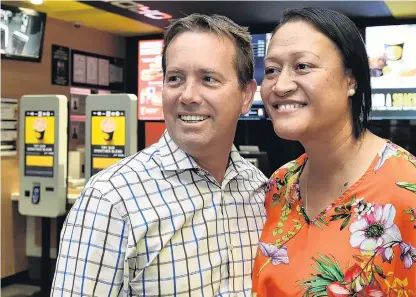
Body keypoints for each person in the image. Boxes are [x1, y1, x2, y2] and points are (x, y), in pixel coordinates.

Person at [252, 7, 416, 297]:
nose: (281, 85)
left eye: (302, 66)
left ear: (351, 80)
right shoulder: (279, 187)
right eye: (272, 70)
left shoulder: (413, 195)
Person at [52, 14, 267, 297]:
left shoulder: (260, 191)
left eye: (208, 79)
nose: (188, 95)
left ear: (246, 96)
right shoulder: (112, 198)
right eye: (175, 78)